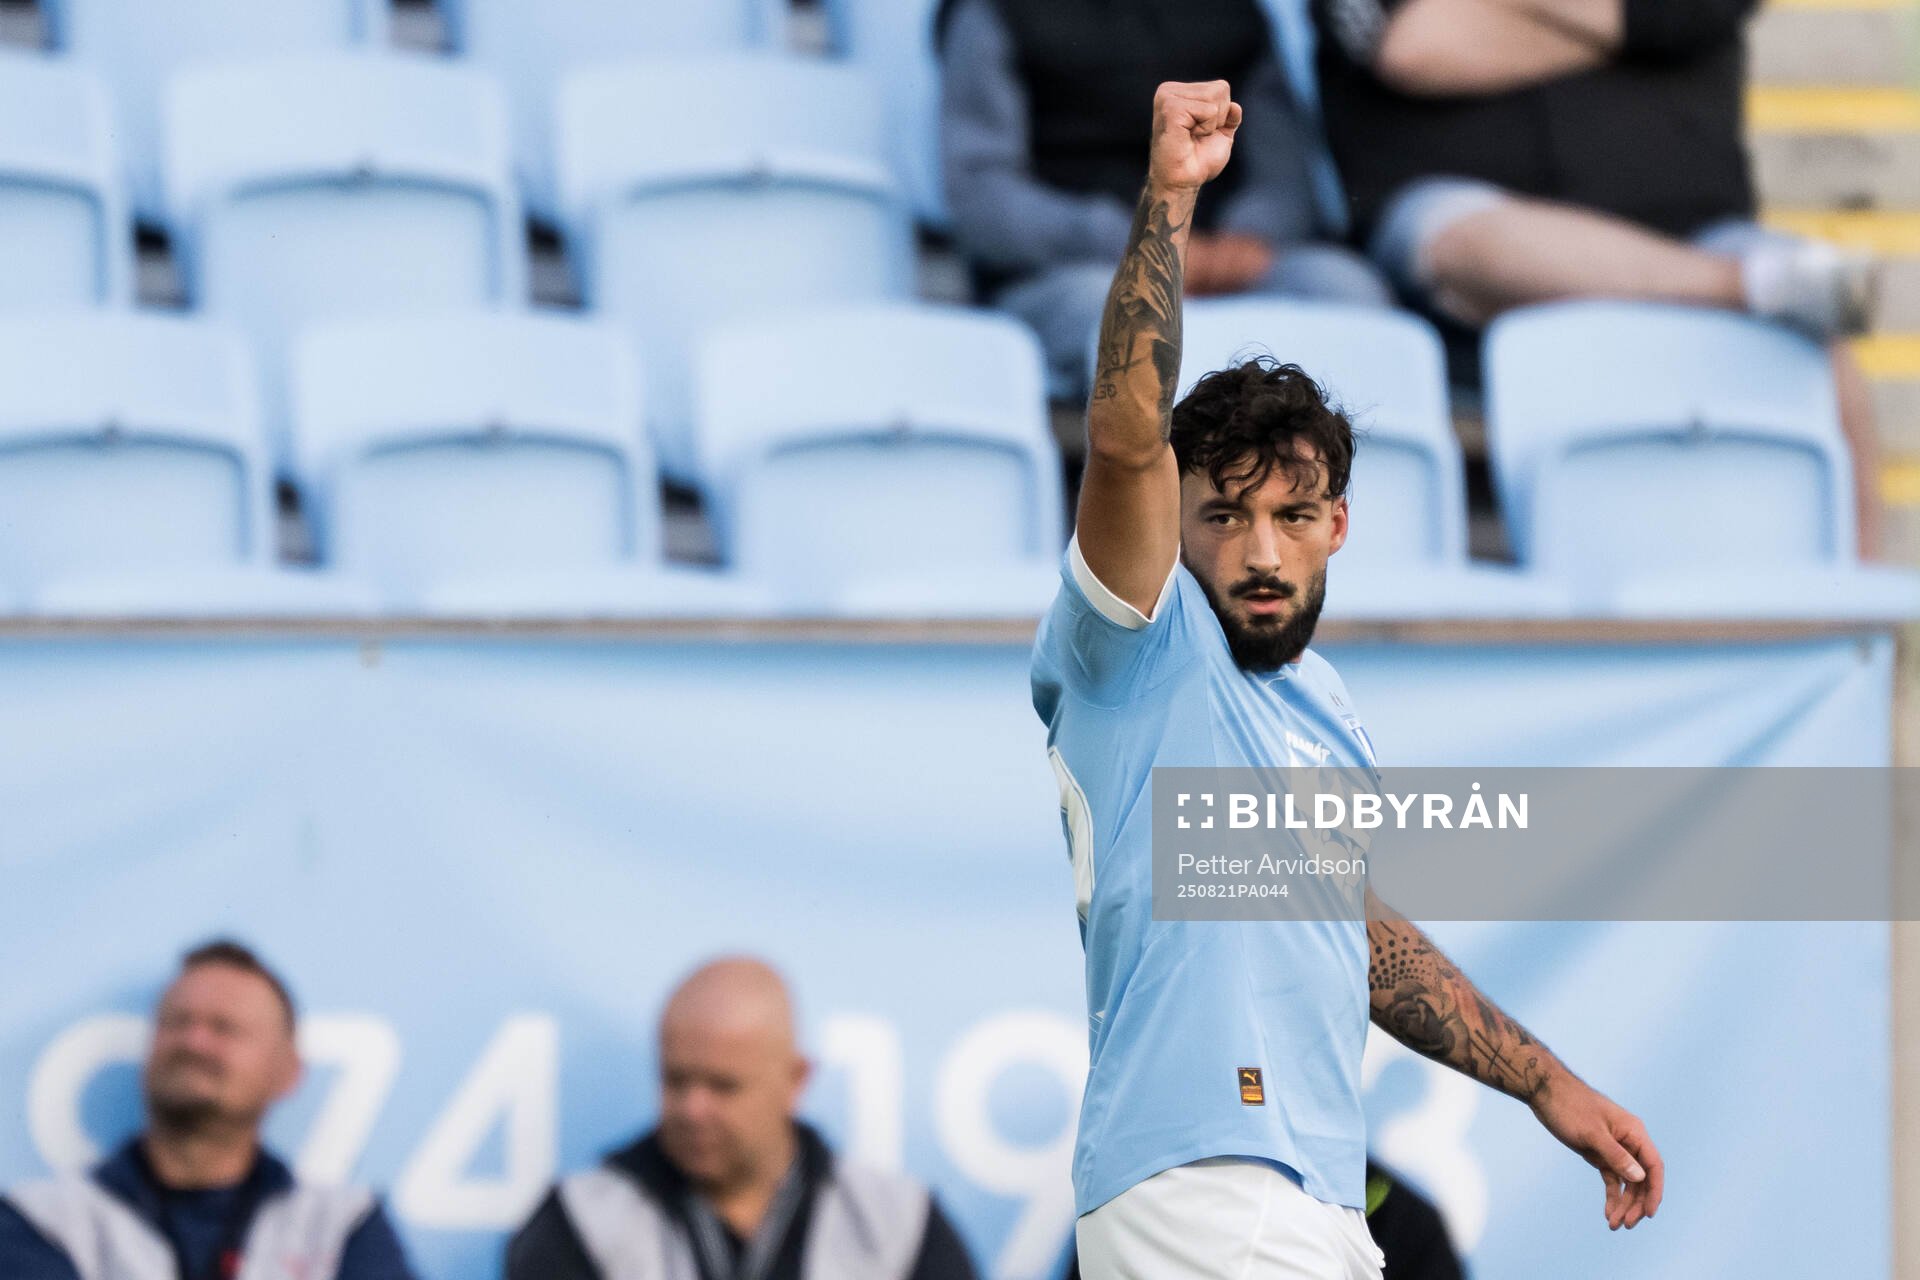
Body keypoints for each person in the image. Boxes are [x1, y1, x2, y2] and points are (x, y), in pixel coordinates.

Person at [1030, 80, 1664, 1276]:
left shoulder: (1321, 704)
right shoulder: (1140, 647)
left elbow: (1358, 937)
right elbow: (1124, 437)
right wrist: (1170, 196)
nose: (1261, 548)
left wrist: (1545, 1081)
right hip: (1203, 1183)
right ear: (1175, 527)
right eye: (1223, 514)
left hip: (1311, 1192)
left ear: (1339, 526)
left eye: (1293, 512)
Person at [1312, 0, 1883, 553]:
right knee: (1465, 239)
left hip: (1691, 229)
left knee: (1813, 332)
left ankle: (1868, 641)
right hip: (1465, 248)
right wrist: (1626, 32)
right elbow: (1415, 49)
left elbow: (1688, 13)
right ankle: (1746, 288)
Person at [938, 0, 1392, 401]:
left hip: (1228, 259)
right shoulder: (993, 12)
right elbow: (982, 195)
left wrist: (1244, 240)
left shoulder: (1236, 15)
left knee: (1344, 289)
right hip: (1074, 268)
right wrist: (1140, 243)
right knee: (1118, 314)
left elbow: (1283, 174)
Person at [506, 956, 977, 1280]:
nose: (693, 1108)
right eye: (676, 1080)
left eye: (723, 1086)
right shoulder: (581, 1222)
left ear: (795, 1080)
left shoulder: (897, 1225)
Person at [0, 940, 417, 1280]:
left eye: (225, 1028)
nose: (194, 1042)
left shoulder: (345, 1225)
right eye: (177, 1022)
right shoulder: (41, 1219)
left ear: (288, 1071)